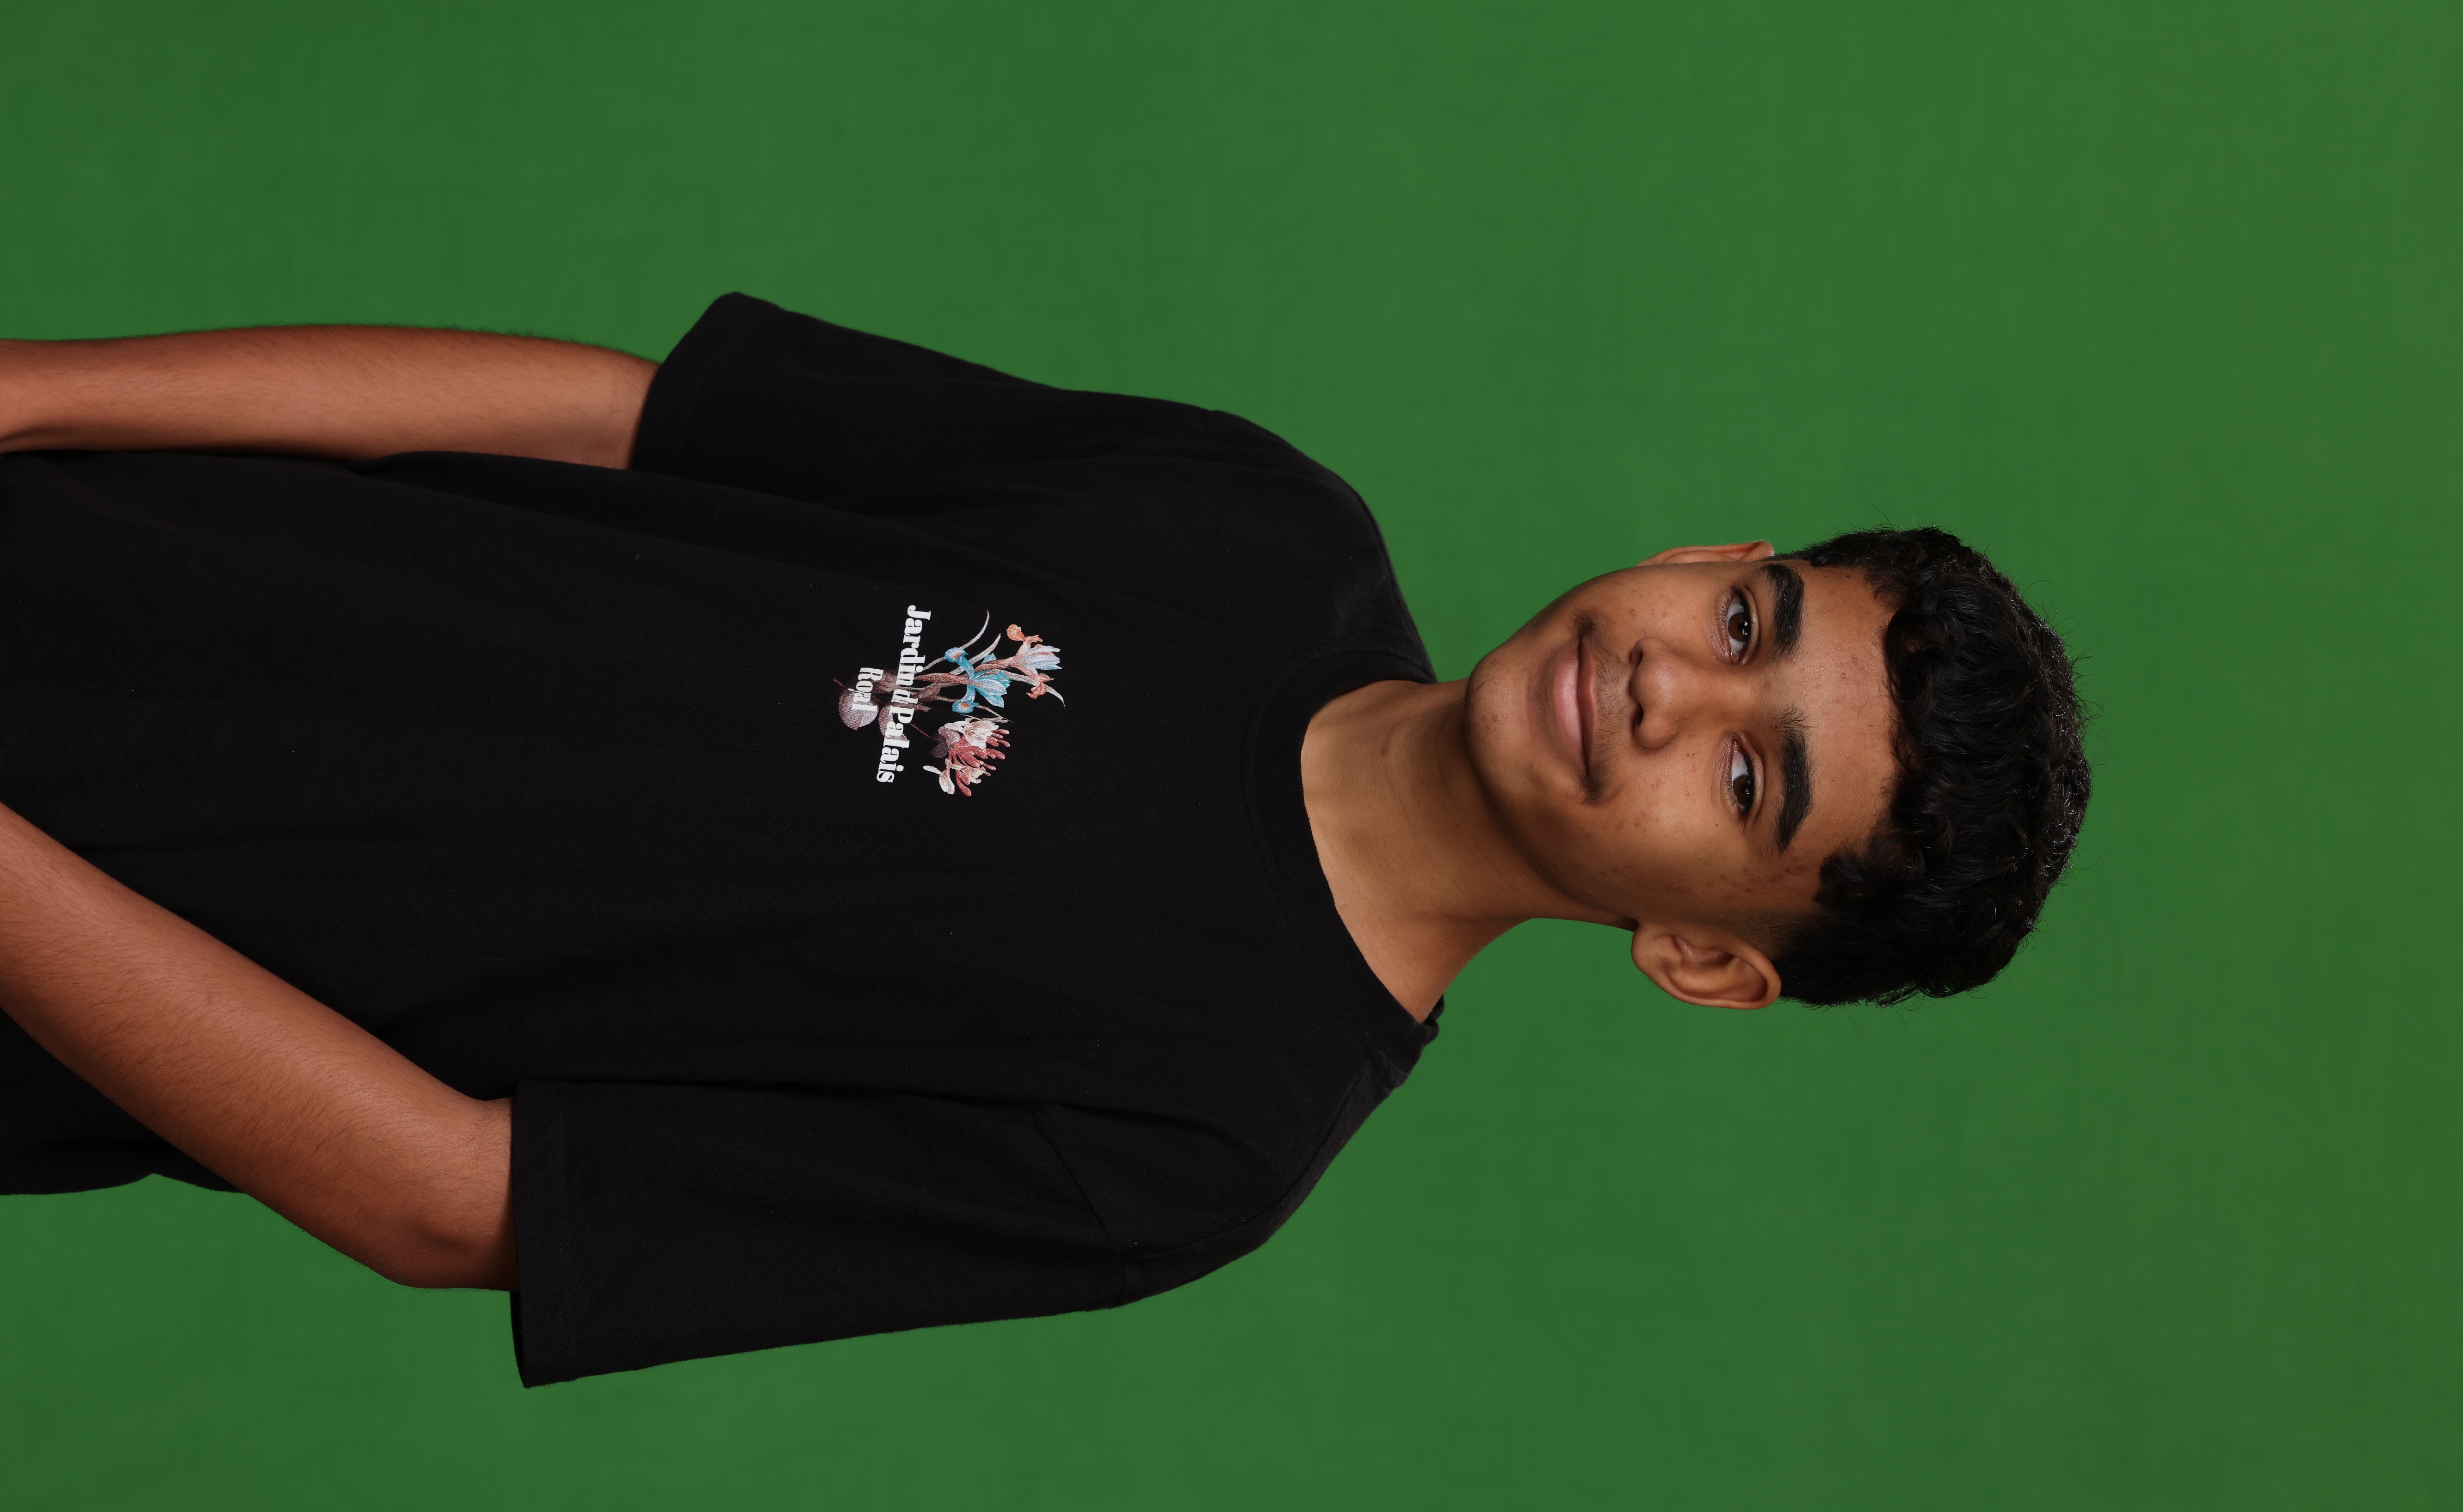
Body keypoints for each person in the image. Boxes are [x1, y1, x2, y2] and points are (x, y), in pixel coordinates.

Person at [0, 294, 2089, 1383]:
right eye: (1748, 625)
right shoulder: (1261, 519)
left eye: (1750, 783)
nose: (1669, 689)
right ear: (1718, 553)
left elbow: (453, 1197)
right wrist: (23, 390)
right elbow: (626, 419)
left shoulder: (1192, 1143)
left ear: (1710, 957)